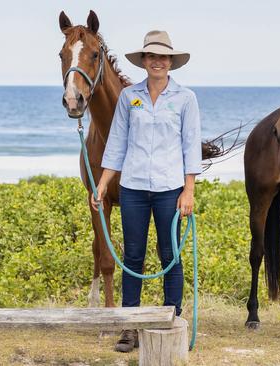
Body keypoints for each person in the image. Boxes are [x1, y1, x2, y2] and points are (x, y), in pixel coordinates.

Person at [93, 30, 202, 353]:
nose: (158, 61)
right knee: (133, 257)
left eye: (163, 57)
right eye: (152, 56)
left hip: (171, 189)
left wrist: (189, 190)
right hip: (134, 189)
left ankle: (171, 318)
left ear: (171, 62)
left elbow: (190, 146)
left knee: (170, 255)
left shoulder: (186, 99)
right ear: (143, 61)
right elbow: (116, 144)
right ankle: (130, 327)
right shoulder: (129, 97)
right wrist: (101, 184)